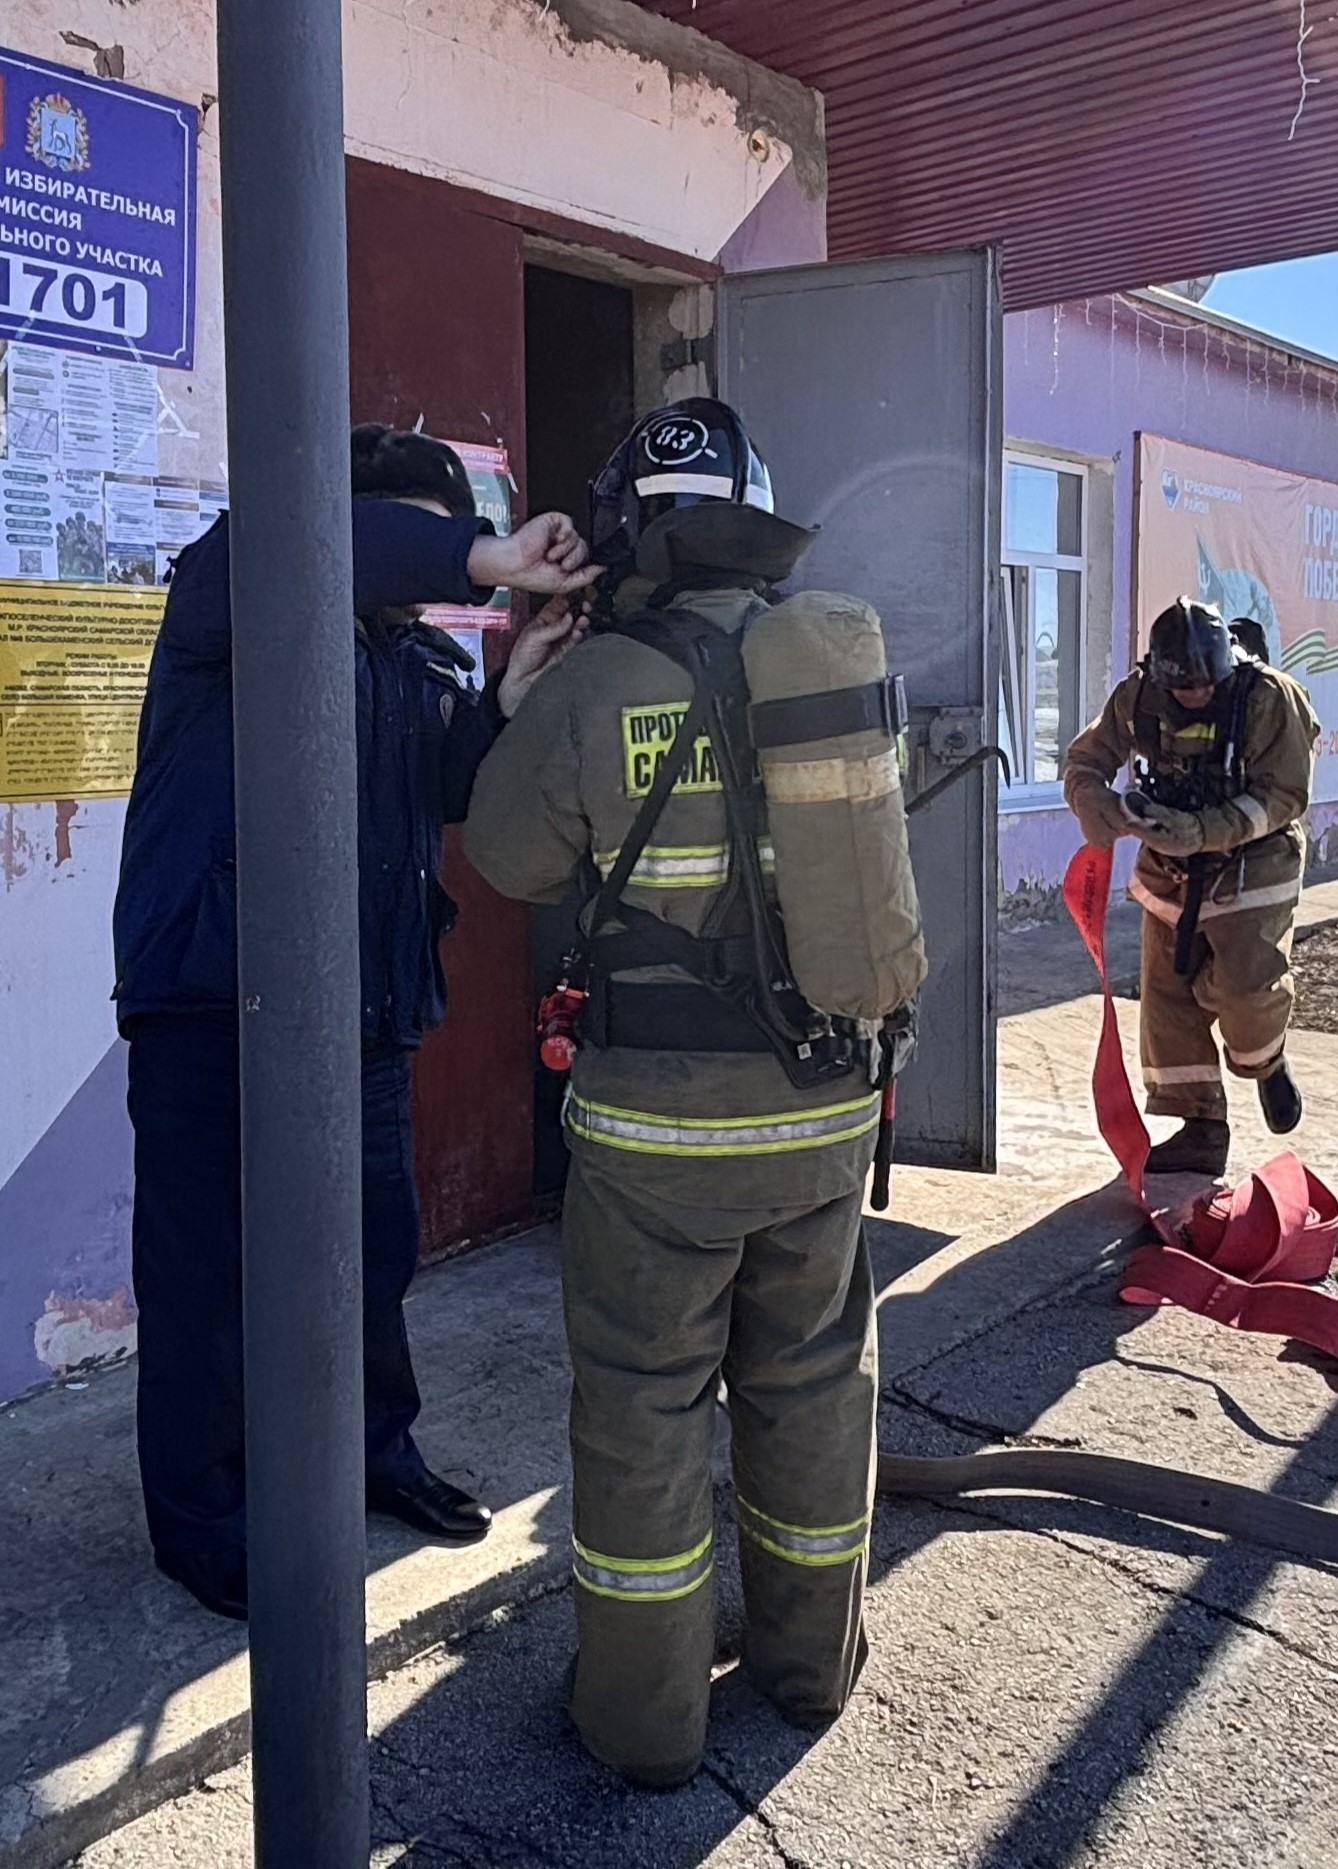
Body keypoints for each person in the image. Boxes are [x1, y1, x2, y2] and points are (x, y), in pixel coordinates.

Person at [461, 397, 924, 1788]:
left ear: (629, 532)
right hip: (821, 1113)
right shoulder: (821, 667)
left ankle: (643, 1724)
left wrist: (525, 696)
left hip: (653, 1138)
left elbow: (506, 859)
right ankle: (807, 1670)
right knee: (812, 1390)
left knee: (642, 1415)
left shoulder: (599, 679)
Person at [111, 425, 597, 1621]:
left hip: (364, 1011)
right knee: (205, 1278)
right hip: (212, 1005)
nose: (427, 569)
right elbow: (310, 545)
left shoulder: (417, 660)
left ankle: (375, 1453)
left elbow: (442, 792)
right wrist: (486, 553)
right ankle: (204, 1520)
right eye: (409, 540)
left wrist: (507, 696)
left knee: (371, 1256)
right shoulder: (234, 600)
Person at [1063, 598, 1321, 1176]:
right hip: (1170, 867)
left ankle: (1266, 1062)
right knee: (1167, 996)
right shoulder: (1138, 696)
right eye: (1183, 689)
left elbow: (1285, 795)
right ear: (1159, 674)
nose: (1196, 696)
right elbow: (1085, 760)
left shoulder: (1269, 698)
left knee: (1246, 990)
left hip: (1254, 860)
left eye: (1207, 686)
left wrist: (1205, 830)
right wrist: (1093, 801)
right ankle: (1200, 1129)